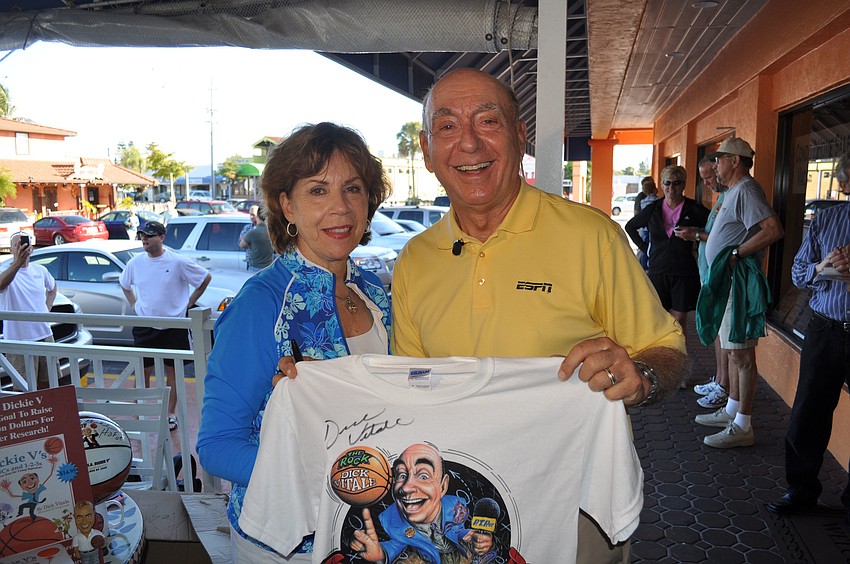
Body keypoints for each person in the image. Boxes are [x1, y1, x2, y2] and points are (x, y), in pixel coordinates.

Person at [389, 68, 687, 564]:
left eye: (488, 121)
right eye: (447, 127)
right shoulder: (415, 260)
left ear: (519, 135)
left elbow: (668, 350)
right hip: (464, 510)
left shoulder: (591, 236)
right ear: (425, 149)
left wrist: (644, 377)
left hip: (577, 502)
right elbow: (412, 389)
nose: (468, 143)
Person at [196, 122, 392, 563]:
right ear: (287, 205)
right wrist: (311, 476)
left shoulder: (376, 295)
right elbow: (217, 445)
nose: (340, 208)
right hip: (285, 543)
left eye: (353, 189)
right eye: (318, 191)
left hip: (368, 537)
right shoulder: (261, 305)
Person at [767, 152, 850, 518]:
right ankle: (800, 489)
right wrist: (824, 265)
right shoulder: (827, 219)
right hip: (825, 329)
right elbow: (800, 273)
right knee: (808, 412)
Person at [694, 137, 784, 448]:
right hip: (725, 281)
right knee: (733, 350)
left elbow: (773, 230)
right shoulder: (734, 191)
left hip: (736, 282)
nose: (715, 165)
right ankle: (732, 409)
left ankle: (743, 424)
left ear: (735, 161)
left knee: (742, 354)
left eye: (720, 159)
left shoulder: (746, 188)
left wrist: (737, 254)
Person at [119, 220, 211, 430]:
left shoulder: (178, 261)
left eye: (149, 235)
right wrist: (134, 303)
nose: (144, 239)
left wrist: (188, 303)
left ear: (161, 238)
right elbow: (124, 284)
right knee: (143, 370)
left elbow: (205, 278)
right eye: (142, 235)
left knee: (174, 370)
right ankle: (139, 410)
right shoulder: (135, 263)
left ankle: (170, 413)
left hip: (174, 324)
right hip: (146, 324)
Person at [350, 443, 493, 563]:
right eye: (402, 475)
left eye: (423, 476)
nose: (406, 488)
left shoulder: (455, 508)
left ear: (442, 486)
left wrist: (474, 537)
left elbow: (456, 530)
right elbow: (396, 544)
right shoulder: (394, 522)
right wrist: (380, 554)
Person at [625, 165, 709, 365]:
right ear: (661, 185)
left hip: (683, 271)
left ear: (684, 185)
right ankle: (660, 363)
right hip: (658, 270)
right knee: (659, 320)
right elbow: (630, 226)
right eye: (667, 183)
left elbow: (714, 228)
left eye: (677, 183)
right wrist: (646, 248)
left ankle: (679, 367)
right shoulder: (653, 209)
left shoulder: (693, 208)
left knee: (678, 322)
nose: (672, 188)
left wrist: (696, 235)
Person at [676, 158, 731, 409]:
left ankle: (725, 385)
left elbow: (728, 239)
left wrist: (696, 234)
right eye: (704, 178)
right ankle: (720, 379)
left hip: (723, 276)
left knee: (727, 336)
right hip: (710, 274)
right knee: (718, 332)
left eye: (710, 176)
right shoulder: (721, 198)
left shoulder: (735, 196)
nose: (707, 183)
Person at [0, 233, 58, 390]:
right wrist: (17, 263)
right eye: (16, 245)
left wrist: (47, 308)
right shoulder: (4, 271)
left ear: (31, 248)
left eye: (24, 244)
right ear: (11, 249)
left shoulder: (40, 270)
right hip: (19, 340)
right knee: (22, 389)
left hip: (45, 335)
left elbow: (52, 289)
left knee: (49, 385)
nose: (21, 248)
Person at [239, 205, 275, 270]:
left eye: (253, 214)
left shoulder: (252, 232)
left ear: (258, 216)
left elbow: (242, 244)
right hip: (268, 267)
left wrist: (245, 239)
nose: (251, 217)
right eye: (250, 214)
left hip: (255, 267)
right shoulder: (272, 231)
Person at [634, 177, 659, 271]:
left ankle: (644, 267)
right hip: (652, 228)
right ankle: (648, 265)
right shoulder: (656, 201)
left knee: (645, 247)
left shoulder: (642, 201)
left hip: (644, 228)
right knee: (650, 247)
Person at [72, 500, 104, 564]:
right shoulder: (77, 537)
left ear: (94, 515)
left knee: (96, 562)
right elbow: (75, 547)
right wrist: (77, 553)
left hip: (94, 552)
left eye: (88, 516)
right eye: (79, 518)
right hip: (83, 554)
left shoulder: (96, 533)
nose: (84, 521)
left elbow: (103, 541)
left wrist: (102, 543)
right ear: (74, 517)